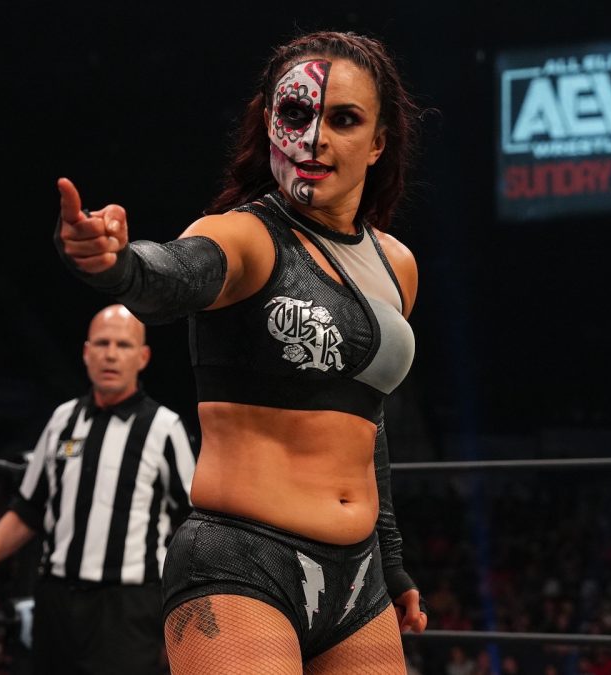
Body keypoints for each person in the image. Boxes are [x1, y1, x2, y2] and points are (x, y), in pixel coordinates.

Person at [56, 30, 427, 674]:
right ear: (269, 123)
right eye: (297, 114)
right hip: (242, 564)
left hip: (359, 579)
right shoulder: (246, 236)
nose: (315, 138)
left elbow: (366, 422)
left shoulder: (397, 266)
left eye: (344, 120)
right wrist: (116, 266)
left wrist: (391, 562)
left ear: (377, 142)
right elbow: (172, 275)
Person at [0, 305, 196, 675]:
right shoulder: (62, 420)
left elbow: (193, 526)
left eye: (123, 345)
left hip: (128, 609)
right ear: (86, 352)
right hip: (56, 604)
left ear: (143, 357)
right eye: (102, 343)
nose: (111, 354)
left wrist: (183, 611)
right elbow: (27, 510)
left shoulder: (165, 428)